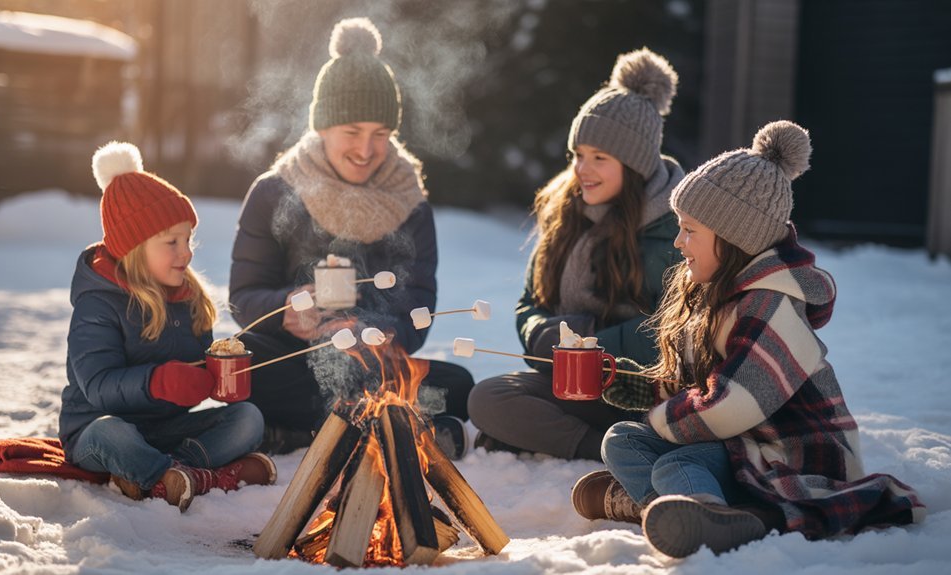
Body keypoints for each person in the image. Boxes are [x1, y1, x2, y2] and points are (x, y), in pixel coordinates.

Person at [573, 121, 925, 557]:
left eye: (690, 230)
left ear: (734, 238)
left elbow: (730, 404)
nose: (679, 242)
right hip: (734, 440)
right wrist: (633, 385)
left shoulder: (772, 306)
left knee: (677, 463)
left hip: (787, 453)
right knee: (622, 439)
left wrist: (664, 418)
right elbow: (699, 387)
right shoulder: (712, 293)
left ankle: (703, 515)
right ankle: (676, 511)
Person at [229, 17, 474, 458]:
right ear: (323, 127)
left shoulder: (409, 202)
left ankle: (308, 431)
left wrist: (377, 331)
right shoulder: (274, 191)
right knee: (242, 362)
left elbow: (418, 305)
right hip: (294, 359)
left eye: (380, 134)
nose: (366, 150)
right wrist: (285, 310)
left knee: (458, 385)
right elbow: (243, 297)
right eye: (352, 132)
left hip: (374, 363)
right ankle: (388, 425)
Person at [467, 48, 686, 460]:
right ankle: (599, 445)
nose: (583, 170)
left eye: (599, 158)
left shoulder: (675, 230)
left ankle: (617, 446)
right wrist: (539, 333)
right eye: (578, 155)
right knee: (488, 398)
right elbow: (531, 300)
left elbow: (675, 331)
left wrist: (591, 342)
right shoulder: (566, 213)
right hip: (571, 384)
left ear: (636, 165)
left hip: (643, 391)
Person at [59, 142, 276, 512]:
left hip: (166, 429)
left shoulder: (188, 297)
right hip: (97, 427)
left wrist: (216, 376)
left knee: (248, 418)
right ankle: (198, 476)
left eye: (188, 239)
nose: (186, 252)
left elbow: (191, 374)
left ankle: (170, 475)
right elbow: (97, 385)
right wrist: (157, 381)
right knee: (111, 434)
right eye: (171, 242)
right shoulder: (98, 303)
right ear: (134, 247)